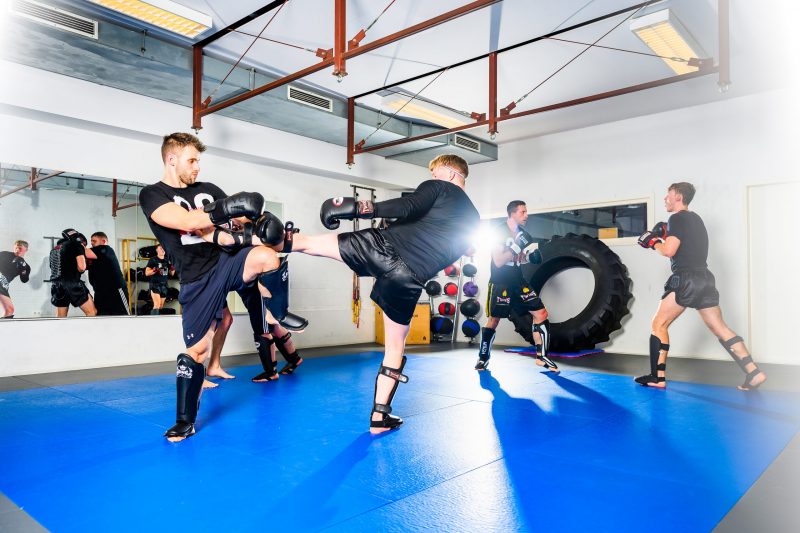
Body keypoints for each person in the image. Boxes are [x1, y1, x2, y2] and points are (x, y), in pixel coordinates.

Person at [290, 154, 480, 433]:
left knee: (305, 243)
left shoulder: (440, 186)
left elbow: (409, 205)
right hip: (409, 279)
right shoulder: (474, 220)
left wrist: (358, 208)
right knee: (395, 349)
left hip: (382, 248)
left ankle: (244, 242)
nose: (432, 177)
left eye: (435, 172)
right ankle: (380, 417)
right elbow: (447, 244)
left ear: (451, 174)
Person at [139, 132, 306, 442]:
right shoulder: (152, 194)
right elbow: (186, 222)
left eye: (198, 161)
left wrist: (261, 219)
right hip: (197, 277)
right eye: (192, 160)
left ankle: (278, 314)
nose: (197, 167)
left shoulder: (209, 190)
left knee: (267, 257)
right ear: (171, 159)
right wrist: (225, 209)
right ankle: (184, 421)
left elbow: (240, 218)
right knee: (196, 351)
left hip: (227, 260)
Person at [635, 182, 766, 390]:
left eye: (668, 195)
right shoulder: (696, 219)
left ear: (678, 196)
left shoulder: (676, 218)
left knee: (658, 324)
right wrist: (664, 236)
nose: (665, 199)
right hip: (705, 278)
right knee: (721, 329)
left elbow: (669, 251)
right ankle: (754, 372)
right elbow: (685, 246)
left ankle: (657, 377)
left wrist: (652, 241)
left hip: (686, 278)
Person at [474, 201, 558, 373]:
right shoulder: (499, 232)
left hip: (518, 281)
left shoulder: (524, 234)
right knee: (494, 320)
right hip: (500, 282)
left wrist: (529, 258)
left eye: (526, 211)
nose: (526, 215)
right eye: (523, 212)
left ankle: (542, 356)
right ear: (512, 213)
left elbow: (518, 259)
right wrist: (517, 245)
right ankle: (483, 358)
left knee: (541, 313)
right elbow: (498, 261)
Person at [50, 229, 98, 318]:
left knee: (61, 317)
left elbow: (53, 267)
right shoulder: (77, 245)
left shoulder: (54, 249)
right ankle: (91, 332)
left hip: (57, 285)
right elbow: (81, 267)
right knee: (92, 312)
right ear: (81, 241)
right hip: (72, 283)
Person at [87, 232, 130, 316]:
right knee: (102, 318)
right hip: (100, 292)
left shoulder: (105, 249)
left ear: (103, 241)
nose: (91, 243)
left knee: (122, 317)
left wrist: (74, 243)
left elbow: (83, 252)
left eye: (94, 241)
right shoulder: (93, 255)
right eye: (91, 241)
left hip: (115, 291)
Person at [0, 240, 31, 318]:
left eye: (20, 248)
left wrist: (23, 270)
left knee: (9, 310)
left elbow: (24, 280)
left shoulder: (26, 267)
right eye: (16, 248)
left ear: (26, 250)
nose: (17, 250)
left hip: (4, 284)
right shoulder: (4, 254)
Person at [144, 244, 173, 315]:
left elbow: (171, 274)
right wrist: (155, 269)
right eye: (161, 248)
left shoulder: (167, 260)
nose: (163, 250)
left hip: (164, 285)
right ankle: (153, 323)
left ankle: (158, 324)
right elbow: (147, 273)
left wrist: (172, 267)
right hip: (155, 284)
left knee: (160, 306)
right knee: (157, 305)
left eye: (163, 248)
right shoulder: (153, 260)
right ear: (157, 250)